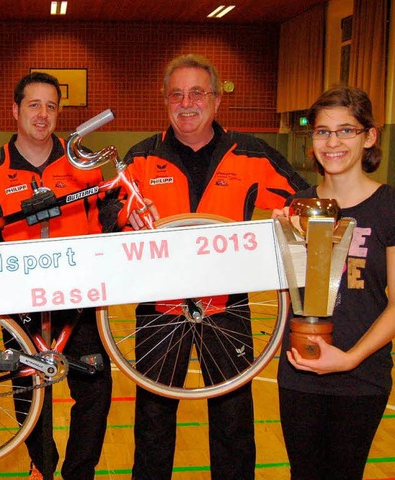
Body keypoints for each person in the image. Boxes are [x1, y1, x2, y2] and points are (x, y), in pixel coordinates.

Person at [100, 54, 309, 480]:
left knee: (233, 419)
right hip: (158, 310)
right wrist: (127, 218)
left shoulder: (250, 153)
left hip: (226, 307)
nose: (186, 102)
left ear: (216, 100)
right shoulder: (141, 157)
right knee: (154, 421)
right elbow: (109, 213)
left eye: (197, 92)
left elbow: (301, 199)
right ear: (165, 102)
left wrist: (290, 216)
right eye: (176, 94)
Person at [0, 72, 112, 480]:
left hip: (80, 300)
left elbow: (107, 217)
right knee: (28, 394)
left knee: (95, 390)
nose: (43, 114)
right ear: (15, 110)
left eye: (51, 106)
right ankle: (43, 467)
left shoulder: (81, 163)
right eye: (34, 104)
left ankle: (79, 472)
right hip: (21, 304)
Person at [273, 86, 395, 480]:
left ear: (369, 136)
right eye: (323, 132)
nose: (333, 142)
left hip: (361, 375)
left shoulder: (388, 206)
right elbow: (286, 291)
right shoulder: (297, 206)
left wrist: (351, 358)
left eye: (346, 130)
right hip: (299, 370)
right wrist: (277, 240)